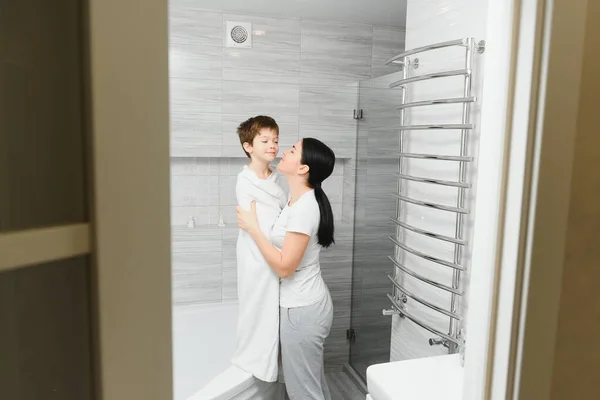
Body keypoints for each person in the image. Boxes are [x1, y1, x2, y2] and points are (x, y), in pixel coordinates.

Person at [237, 137, 336, 400]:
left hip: (302, 311)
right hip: (304, 305)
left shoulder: (305, 208)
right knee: (312, 385)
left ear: (303, 168)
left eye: (293, 150)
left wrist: (252, 228)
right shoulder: (298, 200)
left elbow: (284, 268)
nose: (284, 151)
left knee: (304, 392)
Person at [231, 116, 287, 383]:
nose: (273, 145)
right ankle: (254, 360)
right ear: (248, 146)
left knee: (270, 308)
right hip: (256, 255)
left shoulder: (275, 178)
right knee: (257, 304)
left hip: (271, 251)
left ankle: (268, 361)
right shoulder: (246, 181)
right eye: (264, 140)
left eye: (275, 140)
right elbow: (257, 226)